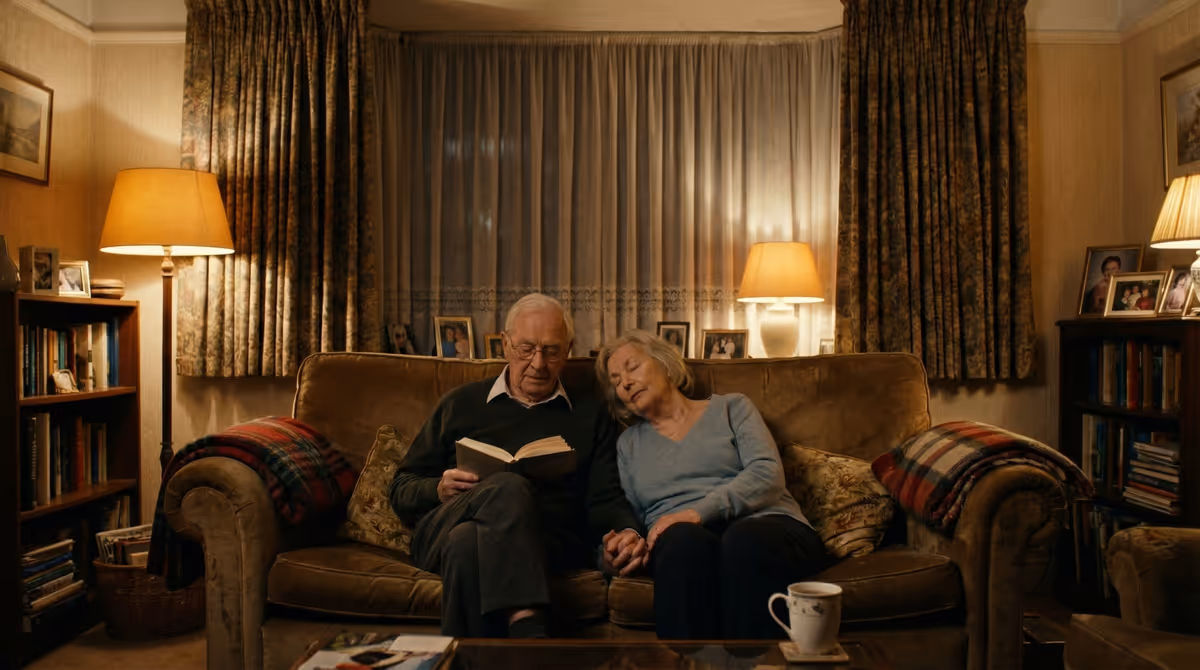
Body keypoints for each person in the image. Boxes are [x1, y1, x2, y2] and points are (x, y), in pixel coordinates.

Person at [390, 294, 645, 638]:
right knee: (507, 487)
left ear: (568, 349)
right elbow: (401, 488)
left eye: (551, 351)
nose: (538, 363)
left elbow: (605, 499)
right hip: (442, 529)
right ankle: (528, 625)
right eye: (526, 349)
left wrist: (628, 533)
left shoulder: (591, 413)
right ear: (505, 344)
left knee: (468, 544)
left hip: (547, 540)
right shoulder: (460, 403)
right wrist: (437, 488)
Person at [595, 330, 829, 639]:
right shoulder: (628, 445)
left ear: (664, 363)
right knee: (681, 543)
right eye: (615, 380)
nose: (624, 383)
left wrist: (695, 512)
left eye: (632, 367)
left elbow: (767, 474)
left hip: (766, 526)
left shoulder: (732, 408)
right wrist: (617, 551)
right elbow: (631, 518)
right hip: (683, 540)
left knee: (744, 540)